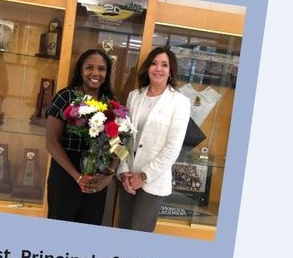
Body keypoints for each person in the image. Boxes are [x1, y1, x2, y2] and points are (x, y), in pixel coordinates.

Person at [117, 47, 191, 232]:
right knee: (123, 227)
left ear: (171, 71)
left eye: (164, 65)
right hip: (127, 177)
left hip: (153, 181)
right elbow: (124, 136)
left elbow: (172, 147)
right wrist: (124, 170)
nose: (158, 68)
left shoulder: (180, 102)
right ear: (147, 67)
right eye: (154, 63)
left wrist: (143, 176)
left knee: (139, 233)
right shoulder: (134, 96)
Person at [44, 49, 117, 225]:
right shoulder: (66, 96)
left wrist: (108, 176)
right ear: (80, 71)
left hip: (96, 179)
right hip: (66, 175)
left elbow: (118, 144)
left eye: (101, 69)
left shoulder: (110, 102)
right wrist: (77, 176)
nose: (95, 73)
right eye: (89, 67)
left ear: (106, 73)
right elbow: (51, 142)